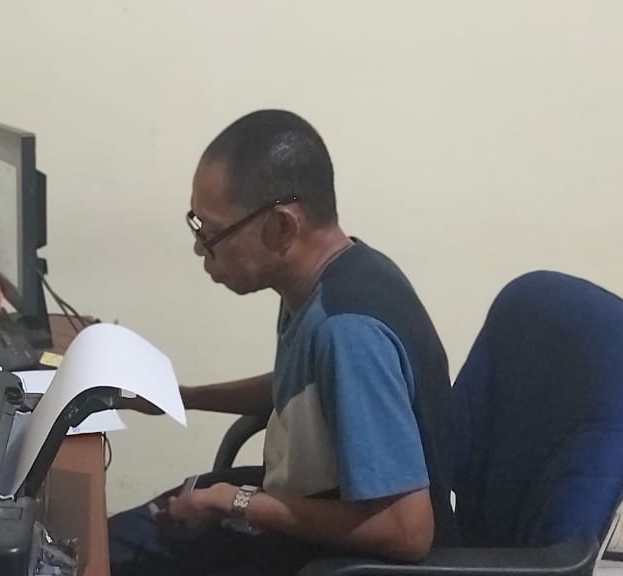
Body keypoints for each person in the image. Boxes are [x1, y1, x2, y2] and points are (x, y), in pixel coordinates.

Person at [110, 110, 457, 576]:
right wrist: (183, 396)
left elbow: (407, 531)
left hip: (344, 558)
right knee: (116, 539)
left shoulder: (348, 331)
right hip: (308, 510)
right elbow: (308, 390)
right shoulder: (333, 278)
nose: (200, 250)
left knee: (102, 558)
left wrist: (235, 502)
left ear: (282, 228)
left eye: (211, 234)